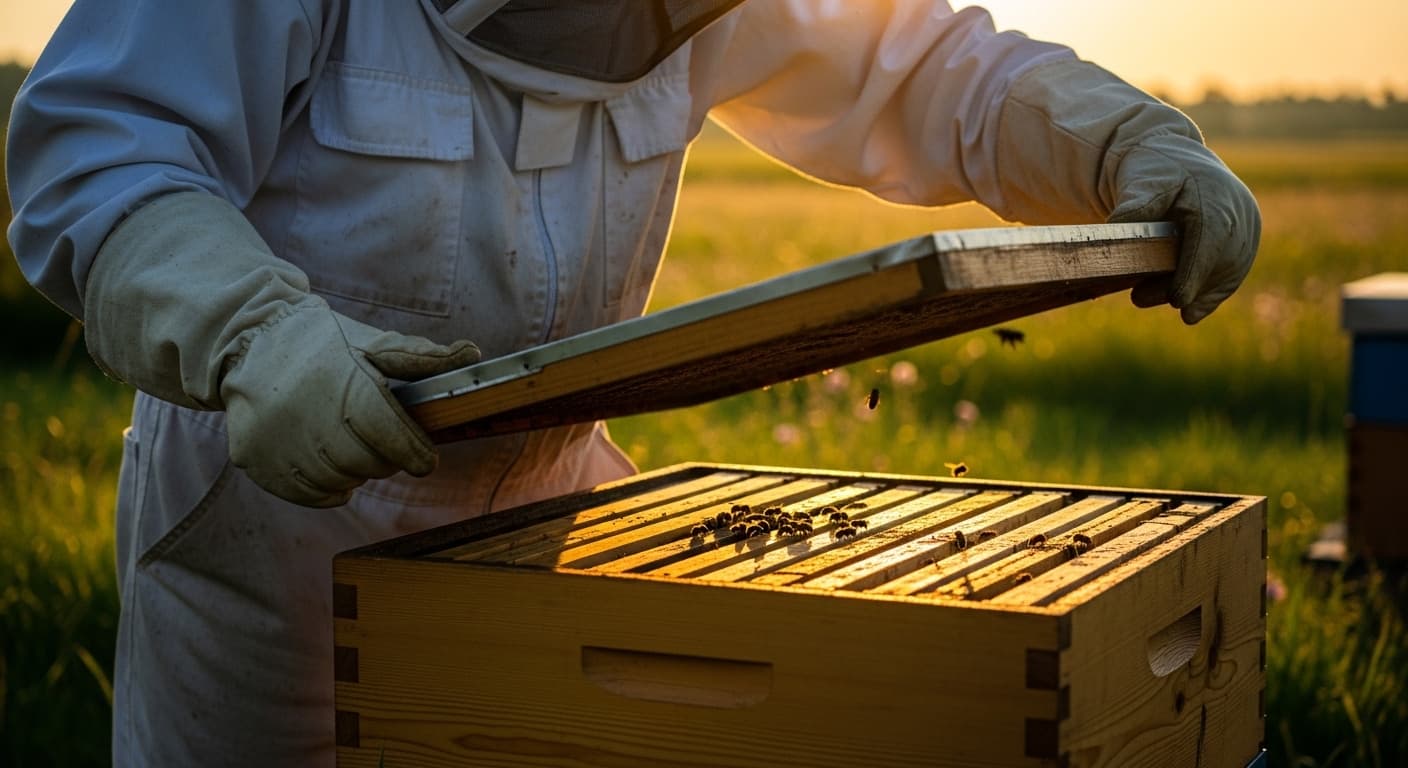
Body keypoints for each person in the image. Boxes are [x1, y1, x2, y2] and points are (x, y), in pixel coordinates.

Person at [5, 1, 1260, 764]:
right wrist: (254, 337)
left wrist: (1119, 140)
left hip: (552, 529)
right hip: (268, 543)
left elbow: (925, 70)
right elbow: (98, 155)